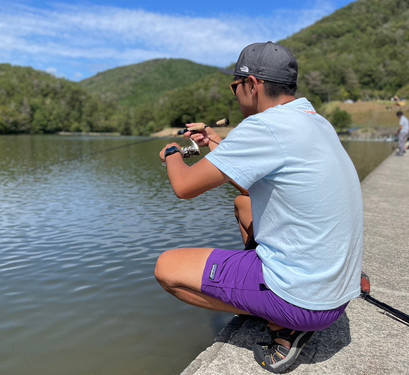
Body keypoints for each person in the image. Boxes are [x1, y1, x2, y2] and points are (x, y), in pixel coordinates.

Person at [155, 42, 364, 373]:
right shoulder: (314, 121)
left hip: (308, 303)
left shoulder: (264, 126)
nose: (234, 94)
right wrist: (213, 142)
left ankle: (283, 325)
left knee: (167, 269)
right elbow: (252, 185)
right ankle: (271, 303)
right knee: (244, 205)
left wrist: (172, 155)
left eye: (235, 86)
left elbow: (184, 187)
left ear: (252, 85)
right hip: (337, 290)